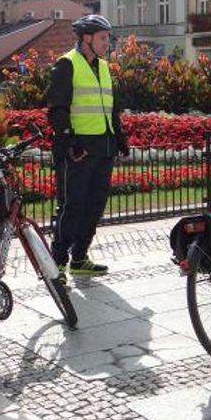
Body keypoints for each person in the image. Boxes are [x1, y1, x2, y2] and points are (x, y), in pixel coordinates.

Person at [48, 14, 128, 281]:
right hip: (78, 150)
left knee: (94, 205)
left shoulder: (104, 67)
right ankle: (56, 263)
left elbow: (110, 107)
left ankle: (79, 257)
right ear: (86, 38)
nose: (108, 43)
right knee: (71, 206)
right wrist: (71, 141)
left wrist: (120, 137)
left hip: (103, 147)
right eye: (103, 38)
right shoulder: (66, 65)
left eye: (108, 38)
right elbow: (57, 110)